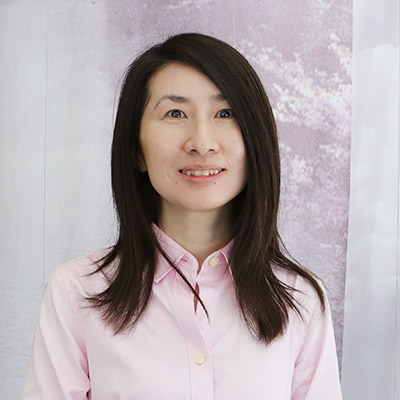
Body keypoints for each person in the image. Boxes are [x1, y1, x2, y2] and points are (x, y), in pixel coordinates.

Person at [22, 33, 343, 399]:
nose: (202, 142)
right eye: (175, 113)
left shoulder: (299, 300)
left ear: (256, 140)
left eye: (225, 113)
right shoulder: (77, 293)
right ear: (136, 150)